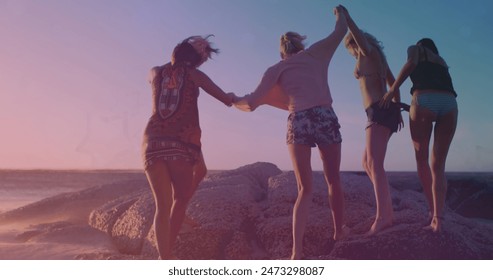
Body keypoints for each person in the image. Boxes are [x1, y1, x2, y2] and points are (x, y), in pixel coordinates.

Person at [233, 6, 348, 260]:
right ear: (300, 45)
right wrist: (340, 13)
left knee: (304, 189)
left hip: (299, 120)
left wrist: (233, 101)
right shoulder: (316, 53)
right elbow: (341, 30)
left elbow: (250, 103)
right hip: (324, 115)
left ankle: (296, 253)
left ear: (282, 52)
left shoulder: (276, 69)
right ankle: (339, 232)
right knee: (333, 180)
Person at [142, 35, 235, 259]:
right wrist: (234, 98)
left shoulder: (155, 71)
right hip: (182, 144)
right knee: (179, 201)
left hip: (152, 142)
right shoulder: (196, 75)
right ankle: (168, 255)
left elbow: (154, 80)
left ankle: (163, 258)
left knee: (162, 208)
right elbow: (225, 98)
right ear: (196, 60)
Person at [382, 38, 458, 233]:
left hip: (423, 99)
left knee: (421, 159)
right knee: (438, 165)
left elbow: (411, 64)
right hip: (450, 104)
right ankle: (438, 219)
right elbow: (438, 88)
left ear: (421, 45)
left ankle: (431, 211)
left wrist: (392, 90)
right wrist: (412, 108)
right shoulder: (441, 61)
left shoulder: (415, 48)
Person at [341, 6, 404, 235]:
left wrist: (347, 19)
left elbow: (357, 36)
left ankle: (383, 217)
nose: (353, 56)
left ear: (354, 45)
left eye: (351, 52)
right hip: (380, 111)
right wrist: (396, 106)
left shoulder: (367, 51)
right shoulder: (379, 57)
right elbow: (393, 82)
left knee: (375, 164)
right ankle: (386, 211)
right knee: (367, 163)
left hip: (378, 111)